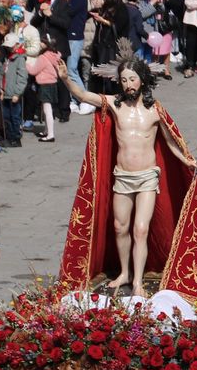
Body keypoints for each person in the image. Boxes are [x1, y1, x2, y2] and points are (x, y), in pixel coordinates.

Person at [63, 58, 167, 293]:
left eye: (132, 79)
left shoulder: (155, 109)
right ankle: (124, 272)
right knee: (120, 227)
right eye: (124, 80)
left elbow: (171, 141)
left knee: (141, 228)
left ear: (142, 79)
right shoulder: (114, 104)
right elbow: (83, 95)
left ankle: (138, 281)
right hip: (123, 176)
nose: (128, 84)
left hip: (148, 176)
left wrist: (187, 161)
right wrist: (65, 78)